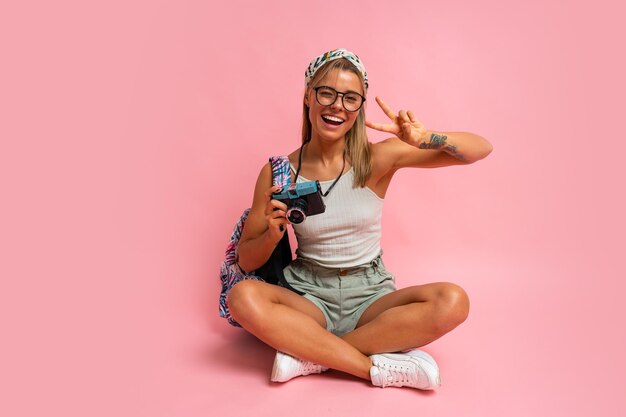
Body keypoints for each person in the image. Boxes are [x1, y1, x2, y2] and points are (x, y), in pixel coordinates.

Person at [227, 48, 493, 390]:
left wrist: (423, 139)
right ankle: (371, 368)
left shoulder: (378, 158)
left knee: (453, 300)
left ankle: (310, 354)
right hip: (308, 296)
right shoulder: (278, 172)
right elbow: (247, 260)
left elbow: (480, 148)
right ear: (308, 95)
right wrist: (271, 234)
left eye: (350, 98)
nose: (337, 105)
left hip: (371, 297)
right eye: (327, 92)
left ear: (359, 106)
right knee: (243, 297)